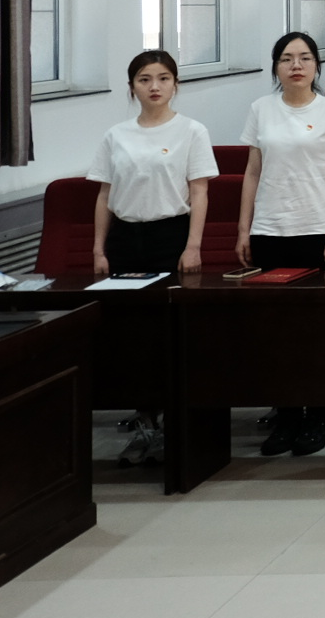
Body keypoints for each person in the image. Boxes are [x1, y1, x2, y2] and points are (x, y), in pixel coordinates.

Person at [89, 49, 217, 466]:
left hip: (171, 237)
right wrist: (98, 248)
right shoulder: (117, 135)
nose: (154, 87)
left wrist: (193, 245)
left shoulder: (191, 131)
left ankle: (173, 423)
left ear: (175, 84)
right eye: (145, 79)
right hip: (125, 240)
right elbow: (105, 194)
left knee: (168, 331)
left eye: (163, 78)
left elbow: (199, 191)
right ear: (132, 87)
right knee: (131, 335)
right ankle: (145, 421)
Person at [237, 31, 325, 457]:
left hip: (317, 232)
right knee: (276, 332)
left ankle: (318, 416)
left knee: (318, 331)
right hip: (270, 231)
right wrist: (243, 229)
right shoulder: (261, 109)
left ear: (316, 66)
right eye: (287, 58)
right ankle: (286, 415)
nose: (296, 65)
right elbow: (252, 173)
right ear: (276, 67)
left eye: (305, 58)